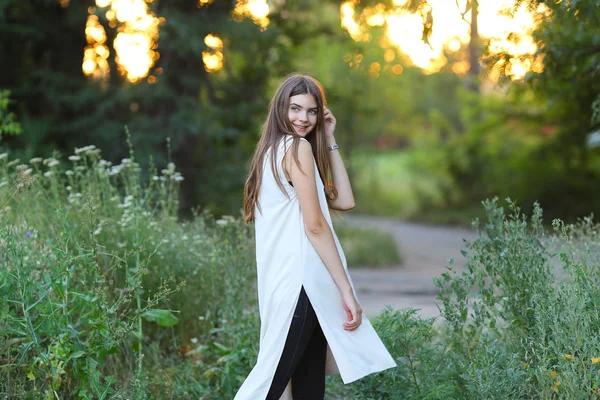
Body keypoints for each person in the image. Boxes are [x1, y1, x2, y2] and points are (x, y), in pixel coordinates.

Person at [235, 73, 396, 400]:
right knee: (268, 386)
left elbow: (344, 201)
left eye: (311, 111)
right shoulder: (295, 149)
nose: (303, 119)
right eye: (295, 109)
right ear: (281, 108)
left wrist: (330, 138)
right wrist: (346, 290)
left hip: (295, 285)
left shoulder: (272, 151)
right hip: (301, 284)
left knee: (308, 386)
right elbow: (316, 226)